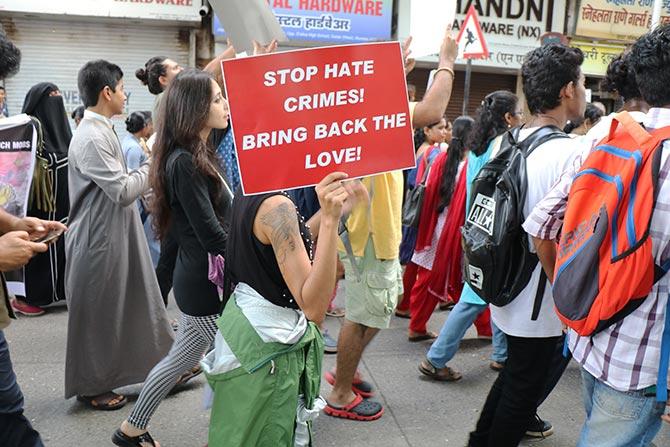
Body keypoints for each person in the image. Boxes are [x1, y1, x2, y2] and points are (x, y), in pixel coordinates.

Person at [529, 25, 670, 446]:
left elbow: (540, 225)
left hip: (590, 336)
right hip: (641, 363)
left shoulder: (609, 133)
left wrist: (572, 289)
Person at [322, 27, 459, 422]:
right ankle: (340, 391)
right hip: (368, 237)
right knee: (362, 315)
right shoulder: (366, 110)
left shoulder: (372, 108)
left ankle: (345, 371)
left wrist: (394, 69)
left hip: (381, 234)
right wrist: (447, 60)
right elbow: (433, 111)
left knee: (377, 311)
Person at [468, 44, 586, 447]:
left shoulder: (511, 138)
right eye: (584, 82)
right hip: (538, 295)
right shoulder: (571, 151)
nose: (584, 90)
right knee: (524, 388)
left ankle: (479, 438)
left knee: (516, 375)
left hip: (504, 284)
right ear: (568, 89)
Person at [113, 69, 232, 446]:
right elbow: (210, 233)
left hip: (201, 279)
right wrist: (258, 251)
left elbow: (184, 233)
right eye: (216, 99)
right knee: (236, 362)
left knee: (181, 362)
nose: (225, 105)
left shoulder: (196, 152)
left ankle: (131, 429)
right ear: (196, 109)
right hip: (206, 283)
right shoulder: (184, 162)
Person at [202, 172, 364, 446]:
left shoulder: (256, 181)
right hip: (270, 351)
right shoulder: (277, 205)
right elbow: (313, 307)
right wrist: (329, 220)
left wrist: (337, 209)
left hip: (247, 334)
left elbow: (290, 240)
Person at [64, 59, 174, 410]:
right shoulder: (92, 136)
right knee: (100, 314)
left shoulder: (102, 129)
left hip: (115, 233)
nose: (127, 96)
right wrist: (152, 163)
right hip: (99, 239)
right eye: (123, 88)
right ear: (107, 92)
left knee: (137, 303)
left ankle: (165, 367)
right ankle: (93, 385)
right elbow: (124, 191)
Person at [418, 95, 523, 381]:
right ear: (508, 119)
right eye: (518, 113)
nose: (522, 118)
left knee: (497, 294)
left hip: (476, 230)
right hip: (494, 235)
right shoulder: (504, 149)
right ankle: (435, 358)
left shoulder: (479, 148)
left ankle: (501, 355)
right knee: (474, 298)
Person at [406, 117, 475, 341]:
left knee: (426, 278)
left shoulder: (442, 158)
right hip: (457, 230)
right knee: (470, 282)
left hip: (435, 227)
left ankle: (417, 325)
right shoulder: (471, 162)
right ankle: (486, 330)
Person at [8, 83, 72, 316]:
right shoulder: (30, 132)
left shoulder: (65, 133)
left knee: (61, 250)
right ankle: (26, 298)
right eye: (50, 97)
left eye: (58, 95)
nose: (55, 100)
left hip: (63, 208)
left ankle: (57, 293)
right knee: (35, 252)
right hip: (37, 207)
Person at [396, 118, 449, 319]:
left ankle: (404, 303)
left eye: (445, 128)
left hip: (415, 212)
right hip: (423, 214)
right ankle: (407, 304)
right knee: (418, 260)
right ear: (427, 130)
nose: (444, 132)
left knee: (412, 261)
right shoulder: (433, 153)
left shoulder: (421, 149)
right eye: (440, 128)